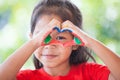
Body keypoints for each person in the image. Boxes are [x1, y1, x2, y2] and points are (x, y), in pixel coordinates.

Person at [0, 0, 120, 80]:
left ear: (76, 41)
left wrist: (89, 41)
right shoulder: (27, 77)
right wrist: (34, 43)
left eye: (60, 37)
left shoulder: (90, 73)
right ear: (32, 38)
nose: (49, 45)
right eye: (43, 36)